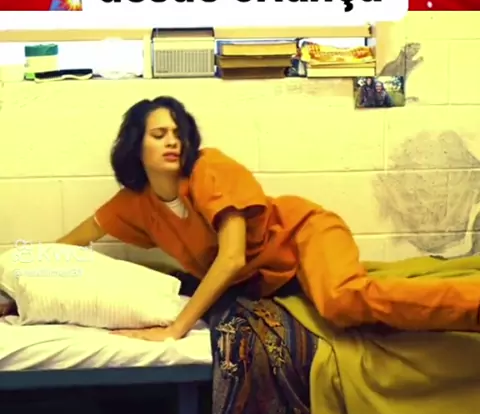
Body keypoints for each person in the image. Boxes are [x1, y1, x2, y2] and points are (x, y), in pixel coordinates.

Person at [4, 95, 478, 333]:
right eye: (158, 134)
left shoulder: (209, 169)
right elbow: (62, 249)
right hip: (273, 277)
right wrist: (12, 291)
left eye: (178, 133)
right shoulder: (133, 205)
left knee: (341, 302)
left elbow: (230, 258)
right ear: (135, 145)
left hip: (304, 234)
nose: (172, 142)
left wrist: (176, 330)